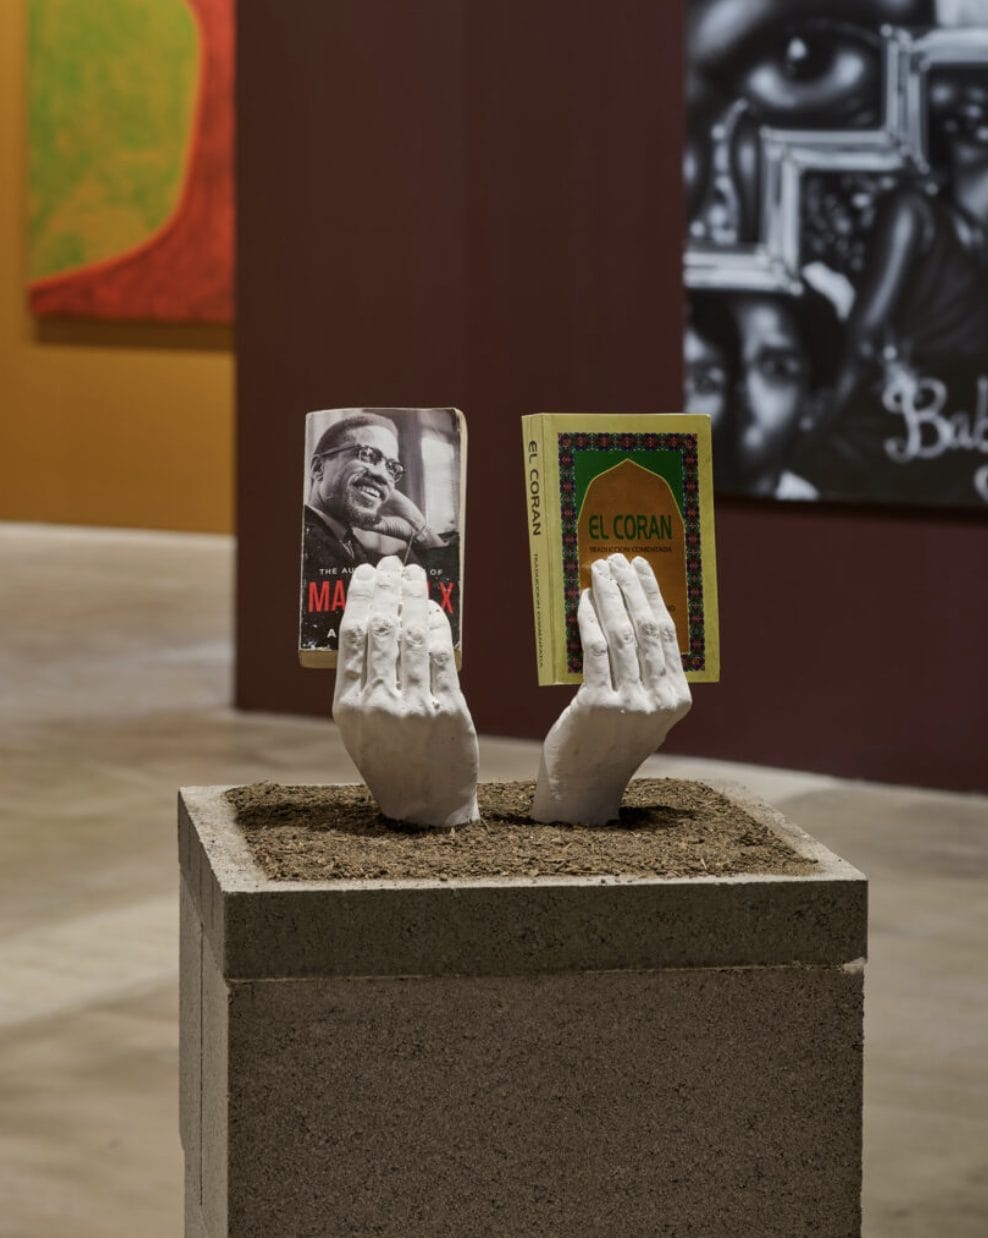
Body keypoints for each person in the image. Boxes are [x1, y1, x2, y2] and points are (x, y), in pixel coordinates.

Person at [301, 411, 458, 648]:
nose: (383, 475)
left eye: (392, 468)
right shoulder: (302, 543)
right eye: (367, 455)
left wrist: (417, 528)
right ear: (318, 469)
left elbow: (444, 622)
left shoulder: (352, 545)